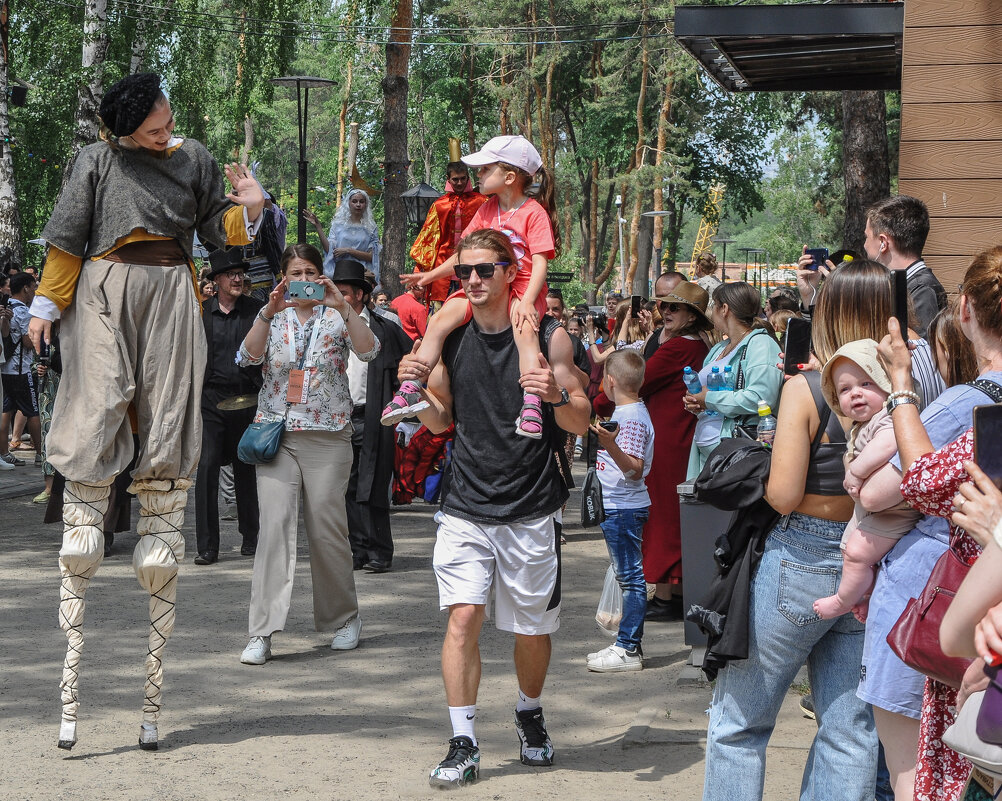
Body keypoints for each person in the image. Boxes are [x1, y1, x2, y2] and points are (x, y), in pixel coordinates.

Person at [26, 72, 265, 752]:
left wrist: (247, 207)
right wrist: (46, 305)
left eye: (167, 121)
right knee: (97, 406)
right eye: (153, 127)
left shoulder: (195, 157)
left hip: (170, 292)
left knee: (166, 429)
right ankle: (83, 518)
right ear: (125, 129)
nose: (166, 131)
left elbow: (224, 235)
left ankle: (152, 691)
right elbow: (68, 238)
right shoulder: (97, 159)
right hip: (103, 288)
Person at [396, 228, 589, 788]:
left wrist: (553, 395)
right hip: (465, 503)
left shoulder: (549, 336)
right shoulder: (451, 339)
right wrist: (419, 394)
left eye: (485, 271)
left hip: (531, 506)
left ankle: (529, 711)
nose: (474, 281)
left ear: (511, 273)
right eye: (464, 273)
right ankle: (464, 741)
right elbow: (440, 422)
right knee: (462, 619)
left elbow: (580, 419)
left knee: (530, 629)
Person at [702, 302, 878, 801]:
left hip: (802, 554)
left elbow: (781, 494)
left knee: (739, 724)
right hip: (869, 556)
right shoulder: (902, 389)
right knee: (849, 732)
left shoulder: (810, 388)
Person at [852, 248, 1001, 801]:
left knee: (932, 774)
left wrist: (900, 386)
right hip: (975, 617)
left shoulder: (979, 403)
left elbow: (917, 480)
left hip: (972, 615)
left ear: (963, 311)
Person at [236, 244, 377, 665]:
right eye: (295, 272)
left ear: (322, 275)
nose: (304, 279)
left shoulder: (336, 316)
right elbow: (247, 357)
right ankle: (261, 631)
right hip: (277, 433)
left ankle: (345, 617)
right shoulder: (272, 316)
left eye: (312, 271)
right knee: (273, 530)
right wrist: (267, 310)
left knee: (327, 530)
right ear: (282, 276)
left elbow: (369, 351)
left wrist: (343, 305)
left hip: (329, 435)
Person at [389, 135, 560, 440]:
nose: (477, 175)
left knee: (525, 333)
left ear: (509, 177)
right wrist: (428, 276)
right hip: (482, 284)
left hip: (520, 287)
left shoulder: (534, 212)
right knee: (439, 320)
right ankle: (413, 385)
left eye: (484, 169)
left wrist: (527, 301)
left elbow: (541, 261)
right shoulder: (486, 209)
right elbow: (460, 254)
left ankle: (531, 402)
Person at [593, 281, 711, 620]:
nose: (666, 312)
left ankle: (666, 593)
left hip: (669, 437)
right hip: (670, 432)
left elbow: (638, 380)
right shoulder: (687, 342)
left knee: (662, 512)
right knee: (668, 512)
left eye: (675, 308)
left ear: (692, 316)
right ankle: (671, 590)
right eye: (663, 306)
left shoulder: (681, 347)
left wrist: (595, 404)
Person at [813, 340, 920, 619]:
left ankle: (842, 601)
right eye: (845, 390)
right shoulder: (862, 424)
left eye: (866, 384)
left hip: (895, 512)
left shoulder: (890, 415)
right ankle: (865, 594)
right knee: (858, 556)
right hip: (877, 511)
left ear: (886, 383)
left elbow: (889, 442)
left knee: (858, 553)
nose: (856, 394)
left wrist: (856, 470)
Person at [336, 260, 413, 573]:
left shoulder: (386, 330)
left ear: (359, 294)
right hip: (337, 418)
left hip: (373, 416)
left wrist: (404, 414)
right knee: (346, 488)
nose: (337, 297)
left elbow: (408, 369)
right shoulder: (324, 328)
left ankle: (380, 551)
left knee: (374, 485)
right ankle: (356, 550)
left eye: (342, 292)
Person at [193, 247, 264, 566]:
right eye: (231, 275)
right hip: (211, 401)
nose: (238, 279)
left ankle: (252, 537)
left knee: (246, 468)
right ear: (217, 280)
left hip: (248, 399)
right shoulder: (201, 312)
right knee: (207, 468)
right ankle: (208, 546)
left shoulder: (256, 310)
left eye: (240, 274)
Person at [586, 350, 654, 672]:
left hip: (624, 508)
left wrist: (609, 443)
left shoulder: (633, 419)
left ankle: (627, 648)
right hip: (618, 506)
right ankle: (626, 644)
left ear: (610, 382)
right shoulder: (627, 413)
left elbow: (634, 470)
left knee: (631, 579)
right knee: (628, 576)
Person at [684, 281, 782, 478]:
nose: (711, 311)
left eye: (713, 305)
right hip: (710, 455)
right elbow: (711, 395)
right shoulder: (719, 349)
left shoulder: (761, 344)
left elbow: (761, 398)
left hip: (737, 457)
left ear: (725, 309)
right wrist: (697, 403)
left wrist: (708, 399)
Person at [409, 152, 488, 310]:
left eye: (463, 178)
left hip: (474, 264)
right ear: (448, 179)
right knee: (440, 312)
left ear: (468, 178)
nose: (459, 183)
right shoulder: (439, 205)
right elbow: (428, 239)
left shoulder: (482, 202)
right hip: (442, 267)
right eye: (455, 179)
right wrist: (419, 269)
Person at [863, 195, 946, 338]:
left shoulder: (922, 291)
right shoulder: (906, 286)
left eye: (867, 237)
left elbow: (922, 354)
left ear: (883, 243)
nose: (864, 245)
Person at [304, 188, 382, 284]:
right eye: (354, 201)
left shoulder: (371, 227)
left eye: (361, 201)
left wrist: (348, 250)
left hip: (361, 273)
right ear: (348, 203)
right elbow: (329, 250)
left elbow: (372, 256)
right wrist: (318, 227)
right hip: (341, 271)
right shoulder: (338, 225)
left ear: (366, 204)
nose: (358, 204)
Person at [2, 271, 41, 458]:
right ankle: (41, 454)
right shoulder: (25, 312)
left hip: (5, 369)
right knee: (32, 411)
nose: (35, 291)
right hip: (21, 370)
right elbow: (27, 342)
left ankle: (3, 452)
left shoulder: (6, 307)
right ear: (25, 288)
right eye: (34, 287)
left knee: (6, 411)